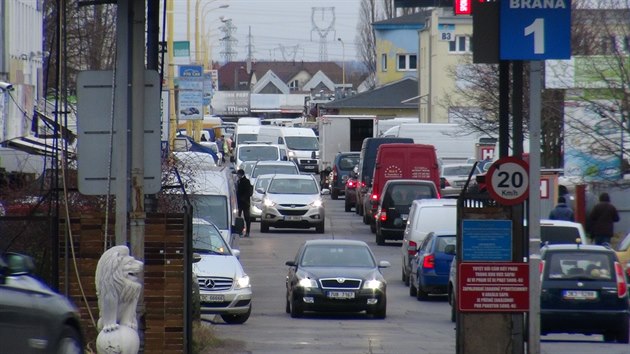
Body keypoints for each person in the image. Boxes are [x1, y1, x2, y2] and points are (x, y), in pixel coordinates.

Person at [236, 169, 253, 237]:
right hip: (239, 203)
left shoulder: (246, 181)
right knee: (238, 218)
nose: (238, 176)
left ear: (241, 174)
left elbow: (248, 192)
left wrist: (243, 198)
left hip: (245, 203)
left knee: (247, 217)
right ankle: (240, 231)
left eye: (238, 174)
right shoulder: (238, 181)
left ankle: (247, 232)